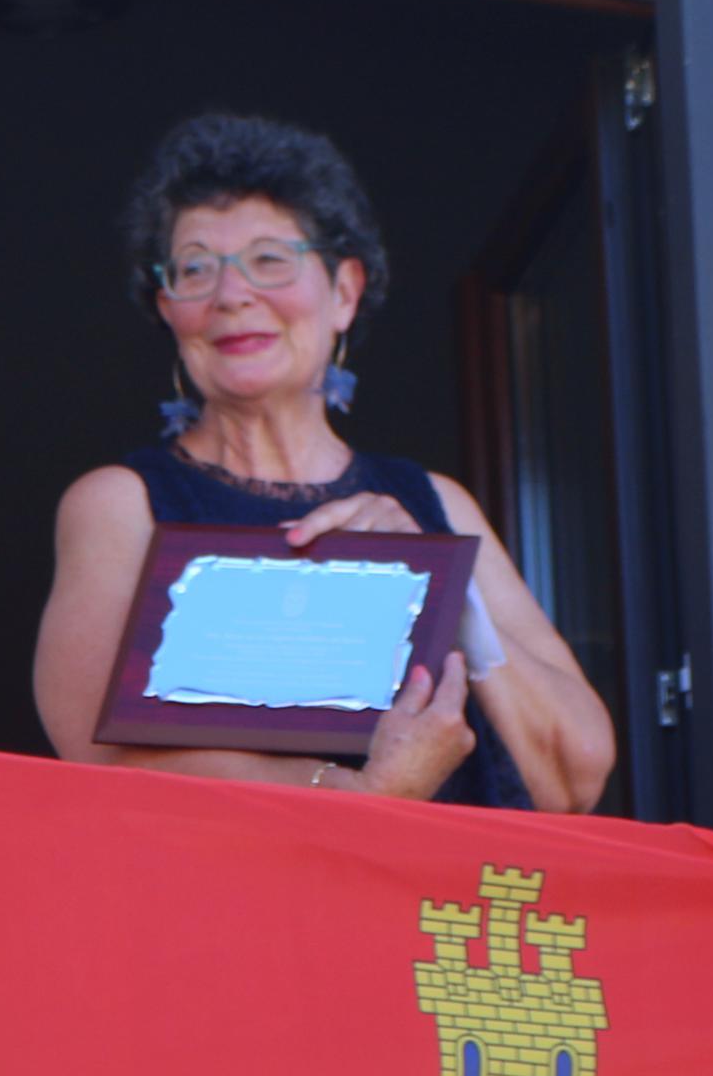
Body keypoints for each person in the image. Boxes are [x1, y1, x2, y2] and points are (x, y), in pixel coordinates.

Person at [31, 115, 615, 810]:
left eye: (270, 259)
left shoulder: (433, 503)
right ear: (167, 308)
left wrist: (445, 589)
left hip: (438, 910)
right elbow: (96, 752)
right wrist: (359, 791)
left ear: (343, 292)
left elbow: (575, 777)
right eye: (194, 267)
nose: (230, 294)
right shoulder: (123, 503)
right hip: (235, 910)